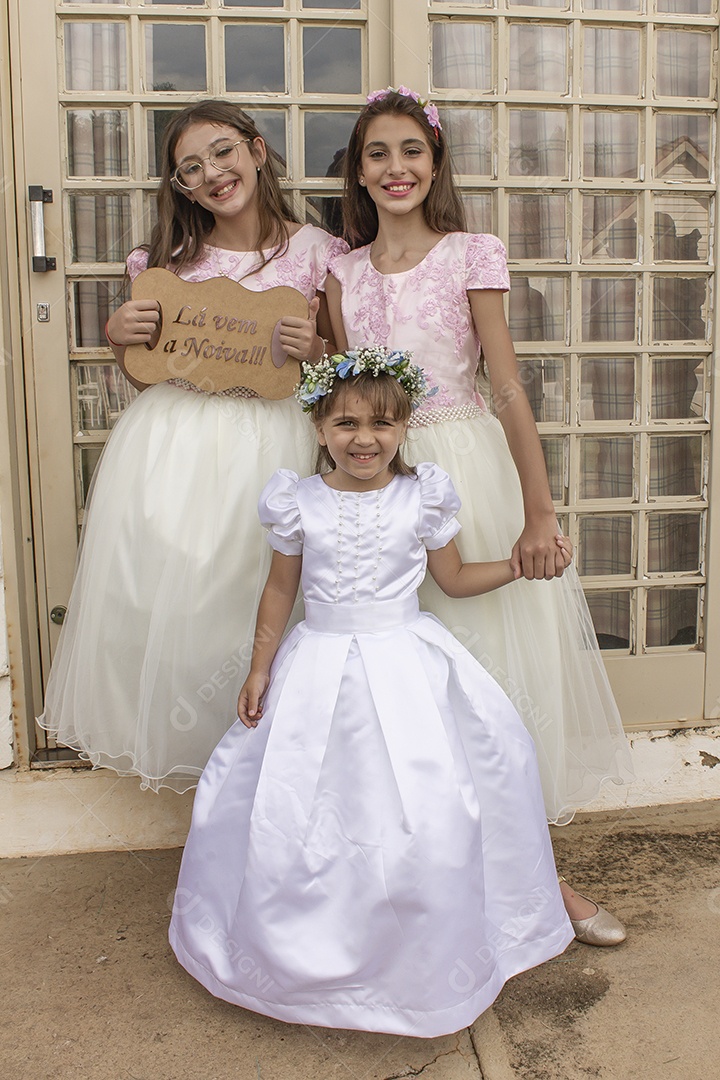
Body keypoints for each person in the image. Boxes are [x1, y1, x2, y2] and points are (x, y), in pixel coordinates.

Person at [169, 348, 575, 1037]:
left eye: (382, 424)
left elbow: (452, 580)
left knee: (430, 803)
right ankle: (309, 949)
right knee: (305, 806)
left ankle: (419, 955)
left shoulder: (424, 496)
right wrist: (261, 667)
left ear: (405, 427)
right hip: (317, 664)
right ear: (320, 427)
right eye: (347, 423)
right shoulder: (297, 501)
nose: (365, 439)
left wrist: (517, 566)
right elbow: (280, 590)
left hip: (405, 663)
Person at [324, 87, 633, 945]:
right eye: (378, 153)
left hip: (467, 472)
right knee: (395, 686)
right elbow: (347, 399)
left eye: (411, 151)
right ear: (359, 171)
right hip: (383, 483)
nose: (396, 168)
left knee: (487, 681)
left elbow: (506, 386)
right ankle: (414, 883)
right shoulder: (341, 275)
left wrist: (538, 511)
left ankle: (541, 878)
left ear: (435, 163)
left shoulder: (470, 254)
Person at [39, 100, 347, 793]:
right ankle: (202, 765)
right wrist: (119, 340)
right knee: (181, 603)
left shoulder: (316, 254)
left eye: (222, 152)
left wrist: (317, 348)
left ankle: (269, 766)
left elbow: (340, 376)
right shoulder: (167, 263)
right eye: (190, 168)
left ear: (257, 151)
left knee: (258, 592)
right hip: (174, 446)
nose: (212, 173)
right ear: (179, 185)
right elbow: (145, 373)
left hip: (271, 444)